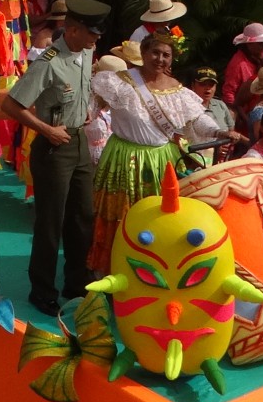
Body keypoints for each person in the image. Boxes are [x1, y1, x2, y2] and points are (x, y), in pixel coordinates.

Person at [0, 0, 104, 316]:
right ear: (73, 30)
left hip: (78, 141)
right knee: (51, 221)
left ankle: (76, 282)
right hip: (54, 147)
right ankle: (42, 290)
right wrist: (46, 130)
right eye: (91, 32)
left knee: (83, 216)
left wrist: (84, 112)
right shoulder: (48, 62)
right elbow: (11, 105)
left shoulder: (86, 51)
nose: (96, 39)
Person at [86, 33, 229, 265]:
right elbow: (91, 102)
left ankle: (158, 265)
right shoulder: (120, 82)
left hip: (162, 160)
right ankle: (115, 264)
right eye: (155, 53)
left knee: (161, 215)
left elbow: (196, 119)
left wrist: (219, 132)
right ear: (143, 53)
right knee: (122, 213)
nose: (160, 59)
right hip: (124, 158)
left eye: (166, 55)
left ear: (172, 59)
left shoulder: (178, 91)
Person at [222, 23, 263, 113]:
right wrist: (238, 115)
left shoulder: (261, 55)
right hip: (244, 112)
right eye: (261, 44)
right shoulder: (237, 64)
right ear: (249, 44)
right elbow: (229, 93)